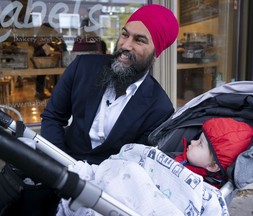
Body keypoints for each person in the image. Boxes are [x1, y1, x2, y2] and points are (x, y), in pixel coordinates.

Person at [40, 4, 179, 165]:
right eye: (124, 35)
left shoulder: (160, 108)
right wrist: (61, 167)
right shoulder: (83, 68)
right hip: (61, 166)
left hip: (108, 183)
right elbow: (52, 118)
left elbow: (135, 161)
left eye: (139, 40)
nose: (126, 45)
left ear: (155, 54)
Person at [174, 117, 253, 188]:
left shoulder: (204, 189)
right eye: (198, 139)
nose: (192, 141)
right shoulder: (181, 157)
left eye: (200, 144)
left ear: (212, 166)